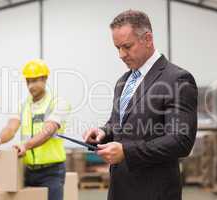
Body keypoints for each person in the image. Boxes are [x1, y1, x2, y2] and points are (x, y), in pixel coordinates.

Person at [83, 10, 198, 200]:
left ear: (148, 39)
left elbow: (181, 141)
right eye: (117, 48)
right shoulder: (123, 81)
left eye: (127, 46)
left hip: (154, 192)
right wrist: (103, 132)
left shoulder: (177, 79)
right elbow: (117, 124)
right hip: (120, 189)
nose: (121, 54)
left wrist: (126, 152)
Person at [0, 59, 70, 200]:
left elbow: (48, 131)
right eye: (28, 81)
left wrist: (25, 145)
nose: (30, 85)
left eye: (35, 80)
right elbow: (11, 127)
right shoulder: (23, 105)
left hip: (52, 172)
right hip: (28, 171)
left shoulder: (58, 103)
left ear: (45, 79)